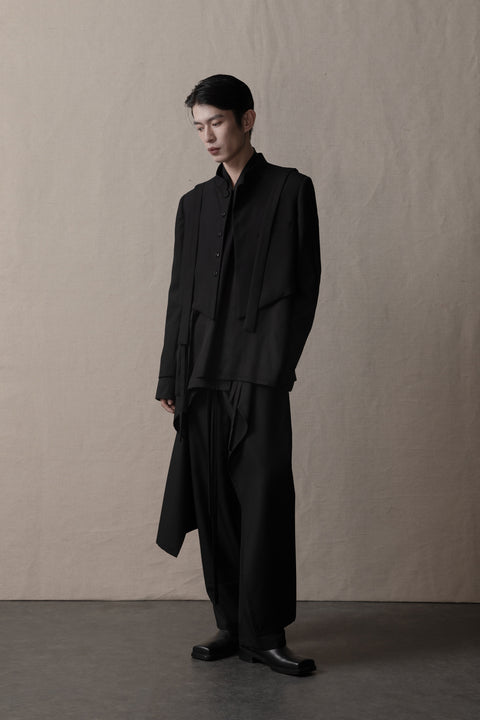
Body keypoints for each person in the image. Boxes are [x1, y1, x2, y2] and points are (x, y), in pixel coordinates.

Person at [154, 74, 321, 677]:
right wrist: (170, 377)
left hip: (258, 372)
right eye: (199, 127)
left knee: (265, 498)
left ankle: (265, 633)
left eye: (217, 122)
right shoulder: (193, 205)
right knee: (215, 502)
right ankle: (230, 623)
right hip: (200, 374)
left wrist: (278, 363)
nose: (208, 137)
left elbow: (306, 285)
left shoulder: (290, 190)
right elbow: (179, 295)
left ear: (247, 119)